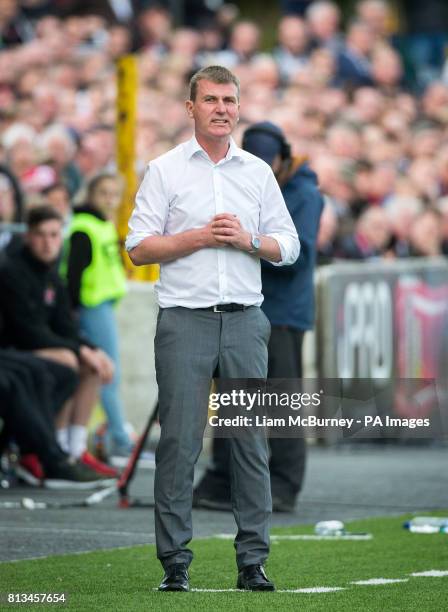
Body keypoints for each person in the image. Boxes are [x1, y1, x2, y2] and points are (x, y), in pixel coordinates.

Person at [126, 65, 300, 592]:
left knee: (251, 442)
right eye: (211, 100)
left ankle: (253, 561)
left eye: (229, 100)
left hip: (247, 320)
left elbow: (287, 246)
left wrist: (249, 241)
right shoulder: (165, 169)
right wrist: (199, 237)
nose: (221, 108)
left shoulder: (257, 172)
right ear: (191, 108)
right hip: (185, 320)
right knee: (179, 443)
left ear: (238, 107)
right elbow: (138, 247)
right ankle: (175, 563)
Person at [194, 122, 324, 512]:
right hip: (244, 305)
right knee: (235, 395)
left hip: (282, 311)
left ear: (283, 160)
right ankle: (224, 479)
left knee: (282, 399)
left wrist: (244, 243)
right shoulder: (243, 180)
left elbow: (294, 257)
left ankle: (284, 484)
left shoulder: (304, 193)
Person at [0, 205, 117, 479]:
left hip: (37, 348)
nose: (48, 243)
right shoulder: (12, 271)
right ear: (28, 236)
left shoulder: (52, 274)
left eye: (54, 235)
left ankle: (74, 449)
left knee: (93, 365)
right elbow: (26, 331)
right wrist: (76, 350)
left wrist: (91, 350)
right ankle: (51, 449)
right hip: (15, 348)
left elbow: (67, 325)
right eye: (41, 235)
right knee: (69, 361)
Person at [62, 173, 133, 462]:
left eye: (114, 194)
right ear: (90, 194)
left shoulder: (100, 224)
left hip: (101, 306)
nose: (109, 199)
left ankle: (108, 438)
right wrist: (73, 313)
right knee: (107, 375)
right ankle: (121, 441)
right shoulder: (84, 228)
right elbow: (73, 277)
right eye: (103, 192)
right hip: (91, 308)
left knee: (100, 375)